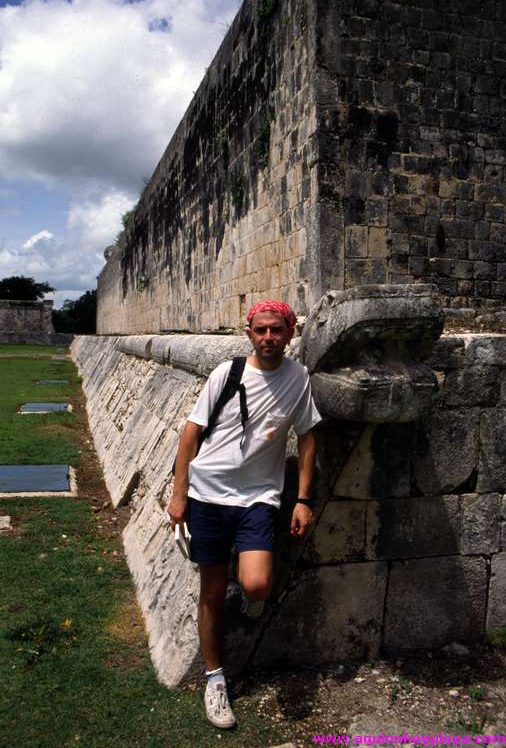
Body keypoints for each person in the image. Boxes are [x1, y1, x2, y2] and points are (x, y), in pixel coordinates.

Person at [167, 300, 321, 729]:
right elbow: (191, 432)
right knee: (213, 592)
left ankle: (250, 582)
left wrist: (304, 499)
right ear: (249, 332)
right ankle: (215, 680)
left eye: (277, 330)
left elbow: (307, 437)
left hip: (257, 497)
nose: (268, 337)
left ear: (290, 333)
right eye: (260, 330)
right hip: (208, 495)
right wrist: (179, 494)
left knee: (255, 586)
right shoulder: (227, 373)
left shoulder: (298, 379)